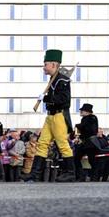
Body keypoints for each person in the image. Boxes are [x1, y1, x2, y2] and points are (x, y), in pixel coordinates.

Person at [22, 49, 76, 182]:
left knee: (62, 144)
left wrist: (46, 98)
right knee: (42, 143)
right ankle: (34, 173)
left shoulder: (62, 80)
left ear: (53, 64)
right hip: (50, 116)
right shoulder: (54, 79)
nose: (44, 67)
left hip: (59, 116)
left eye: (45, 64)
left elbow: (64, 100)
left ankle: (70, 172)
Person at [74, 103, 99, 181]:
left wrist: (79, 126)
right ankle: (81, 176)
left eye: (82, 110)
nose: (81, 112)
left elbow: (90, 129)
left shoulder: (92, 118)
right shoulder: (85, 119)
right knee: (76, 158)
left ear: (87, 112)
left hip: (90, 142)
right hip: (85, 142)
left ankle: (94, 177)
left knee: (92, 160)